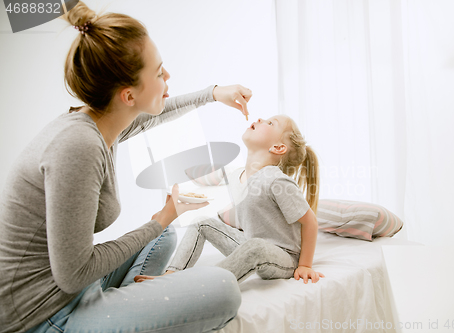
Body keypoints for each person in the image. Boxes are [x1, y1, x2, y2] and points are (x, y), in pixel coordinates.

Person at [0, 2, 253, 333]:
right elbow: (74, 273)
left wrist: (214, 94)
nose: (168, 76)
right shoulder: (78, 147)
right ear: (128, 96)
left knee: (162, 240)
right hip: (44, 313)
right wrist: (163, 217)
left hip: (72, 289)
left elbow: (159, 113)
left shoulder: (100, 122)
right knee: (223, 288)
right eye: (159, 71)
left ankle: (132, 299)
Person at [135, 115, 325, 285]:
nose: (259, 119)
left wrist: (305, 265)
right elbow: (208, 180)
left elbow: (310, 222)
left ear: (278, 147)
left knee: (255, 246)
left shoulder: (277, 180)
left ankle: (193, 284)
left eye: (270, 122)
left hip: (283, 257)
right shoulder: (237, 175)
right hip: (251, 245)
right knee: (202, 222)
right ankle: (171, 276)